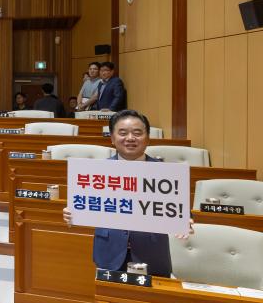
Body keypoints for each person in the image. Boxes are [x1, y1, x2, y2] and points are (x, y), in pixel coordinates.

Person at [63, 109, 189, 277]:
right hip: (109, 253)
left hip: (152, 254)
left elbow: (179, 209)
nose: (130, 138)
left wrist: (185, 220)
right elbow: (85, 204)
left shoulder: (166, 173)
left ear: (148, 138)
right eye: (123, 133)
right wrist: (72, 213)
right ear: (112, 138)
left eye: (137, 133)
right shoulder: (96, 172)